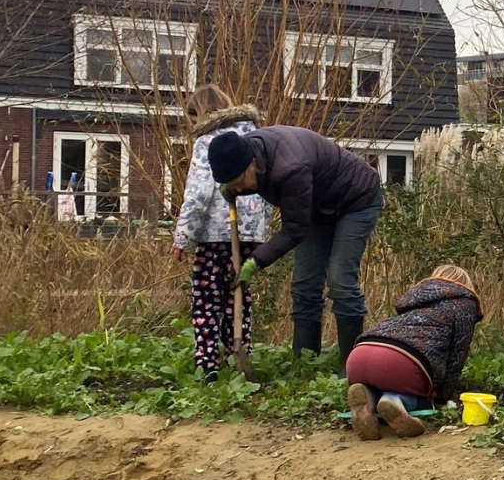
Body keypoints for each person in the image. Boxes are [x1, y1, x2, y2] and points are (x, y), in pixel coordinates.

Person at [207, 125, 384, 366]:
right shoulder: (244, 150)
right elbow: (260, 181)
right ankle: (304, 364)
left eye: (238, 182)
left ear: (251, 162)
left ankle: (352, 365)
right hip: (316, 207)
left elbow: (294, 230)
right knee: (304, 286)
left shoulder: (291, 167)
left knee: (340, 281)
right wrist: (234, 189)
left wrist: (255, 261)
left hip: (356, 199)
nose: (238, 189)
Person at [172, 86, 272, 380]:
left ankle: (207, 363)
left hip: (216, 235)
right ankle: (237, 353)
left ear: (199, 113)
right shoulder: (255, 135)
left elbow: (198, 193)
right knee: (238, 294)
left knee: (207, 299)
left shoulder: (207, 140)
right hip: (250, 234)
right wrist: (259, 228)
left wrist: (183, 238)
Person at [345, 265, 483, 439]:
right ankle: (396, 401)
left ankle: (368, 396)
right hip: (401, 360)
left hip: (359, 355)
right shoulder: (464, 302)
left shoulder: (415, 296)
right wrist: (441, 398)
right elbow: (458, 354)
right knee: (423, 399)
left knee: (387, 382)